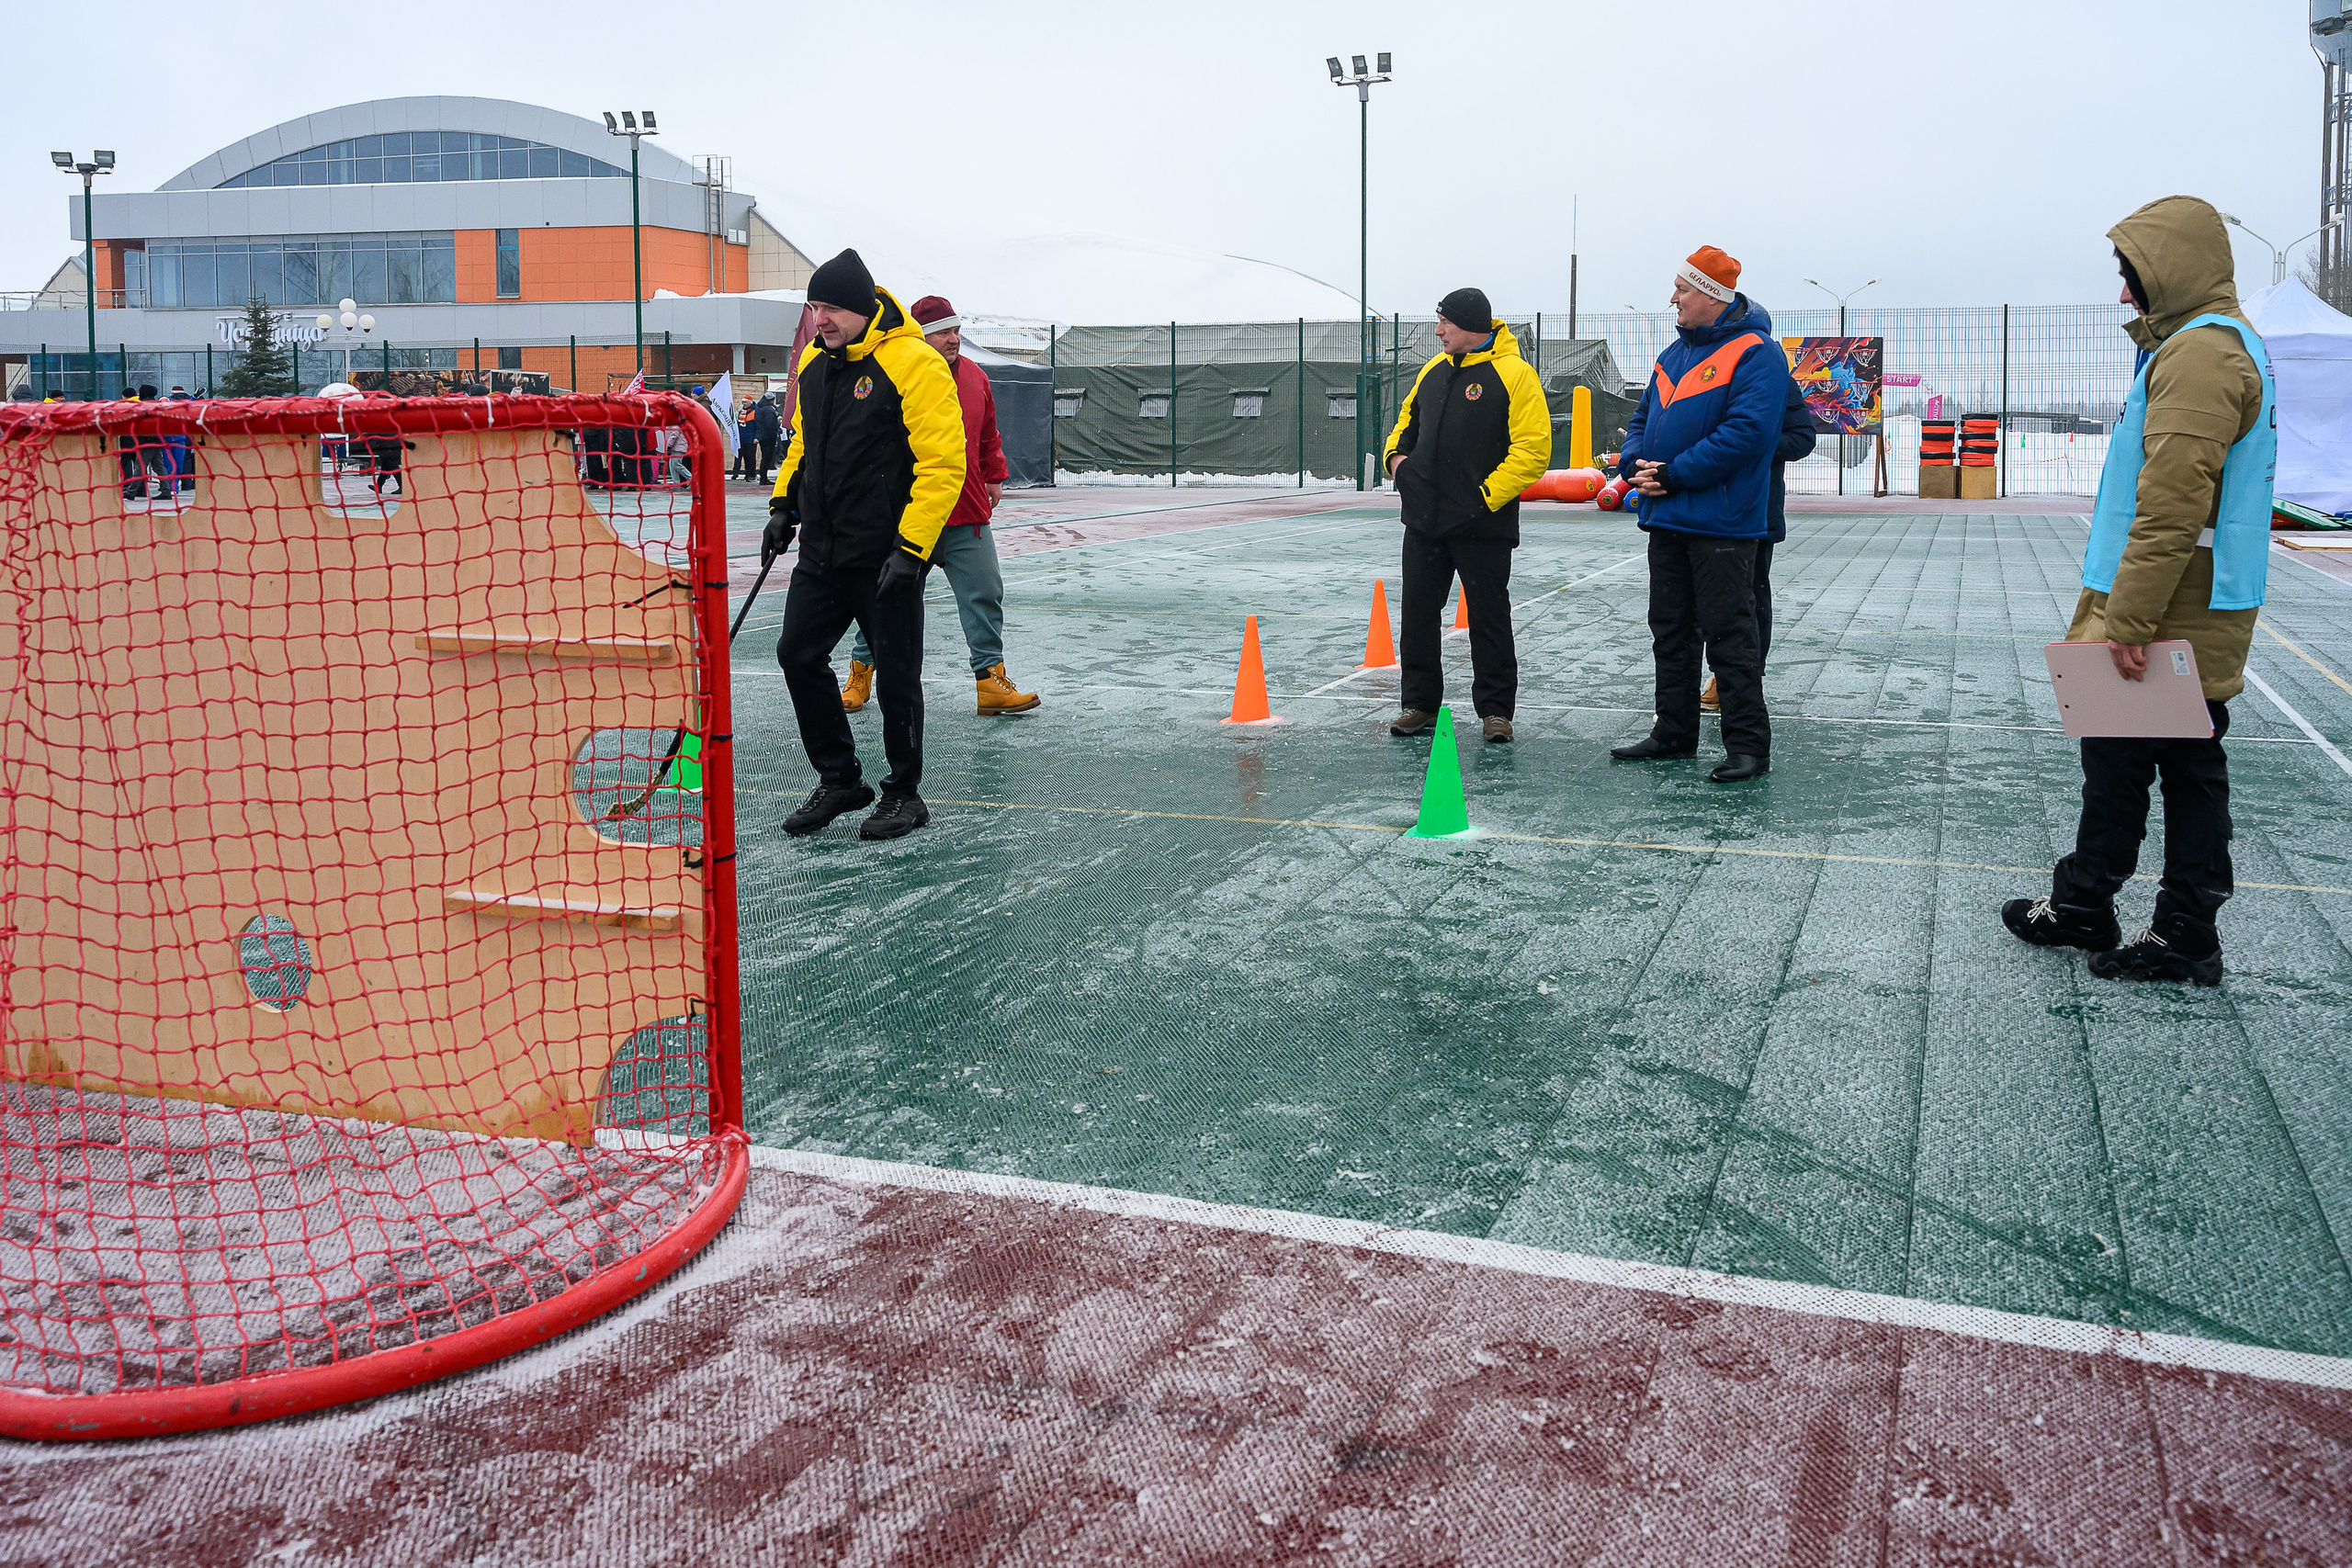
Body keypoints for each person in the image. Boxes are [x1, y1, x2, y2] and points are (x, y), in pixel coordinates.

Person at [2002, 196, 2273, 986]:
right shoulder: (2209, 348)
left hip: (2168, 606)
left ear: (2171, 272)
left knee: (2135, 762)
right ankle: (2129, 907)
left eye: (2133, 277)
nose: (2125, 294)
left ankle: (2148, 918)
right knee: (2166, 763)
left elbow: (2172, 505)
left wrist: (2129, 619)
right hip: (2186, 597)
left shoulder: (2201, 356)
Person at [763, 249, 967, 840]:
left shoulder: (913, 364)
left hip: (886, 557)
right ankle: (841, 780)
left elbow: (942, 464)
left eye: (828, 307)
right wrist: (783, 505)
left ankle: (903, 793)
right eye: (813, 306)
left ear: (857, 307)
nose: (818, 318)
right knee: (797, 654)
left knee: (897, 676)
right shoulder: (812, 362)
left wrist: (912, 550)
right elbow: (804, 443)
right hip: (822, 553)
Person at [1608, 246, 1792, 783]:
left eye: (1682, 290)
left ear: (1711, 295)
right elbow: (1641, 419)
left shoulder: (1757, 354)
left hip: (1724, 523)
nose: (1673, 299)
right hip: (1667, 519)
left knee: (1730, 634)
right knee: (1669, 628)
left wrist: (1672, 475)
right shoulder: (1673, 355)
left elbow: (1747, 435)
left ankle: (1748, 748)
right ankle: (1674, 732)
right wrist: (1632, 463)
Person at [842, 294, 1038, 718]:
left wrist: (994, 474)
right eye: (944, 332)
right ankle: (861, 672)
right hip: (909, 513)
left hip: (966, 508)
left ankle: (991, 683)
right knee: (885, 596)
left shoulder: (975, 376)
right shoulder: (895, 373)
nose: (954, 339)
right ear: (921, 336)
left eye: (956, 331)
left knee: (985, 592)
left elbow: (988, 432)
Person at [1380, 287, 1551, 743]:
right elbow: (1403, 428)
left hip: (1482, 524)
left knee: (1489, 616)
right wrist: (1398, 466)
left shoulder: (1515, 374)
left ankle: (1496, 712)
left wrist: (1483, 497)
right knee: (1417, 613)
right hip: (1423, 523)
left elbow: (1533, 452)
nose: (1438, 331)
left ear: (1471, 326)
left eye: (1445, 323)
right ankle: (1418, 704)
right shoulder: (1433, 371)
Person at [1703, 377, 1815, 709]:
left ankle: (1739, 679)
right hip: (1700, 504)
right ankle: (1714, 677)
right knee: (1701, 598)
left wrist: (1752, 443)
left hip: (1755, 510)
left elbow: (1802, 438)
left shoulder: (1774, 377)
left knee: (1748, 594)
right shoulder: (1702, 370)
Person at [752, 392, 782, 483]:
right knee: (767, 457)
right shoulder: (769, 409)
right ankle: (764, 478)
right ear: (772, 400)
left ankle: (763, 477)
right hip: (769, 437)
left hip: (762, 436)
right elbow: (770, 424)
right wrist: (775, 431)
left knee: (764, 457)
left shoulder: (759, 407)